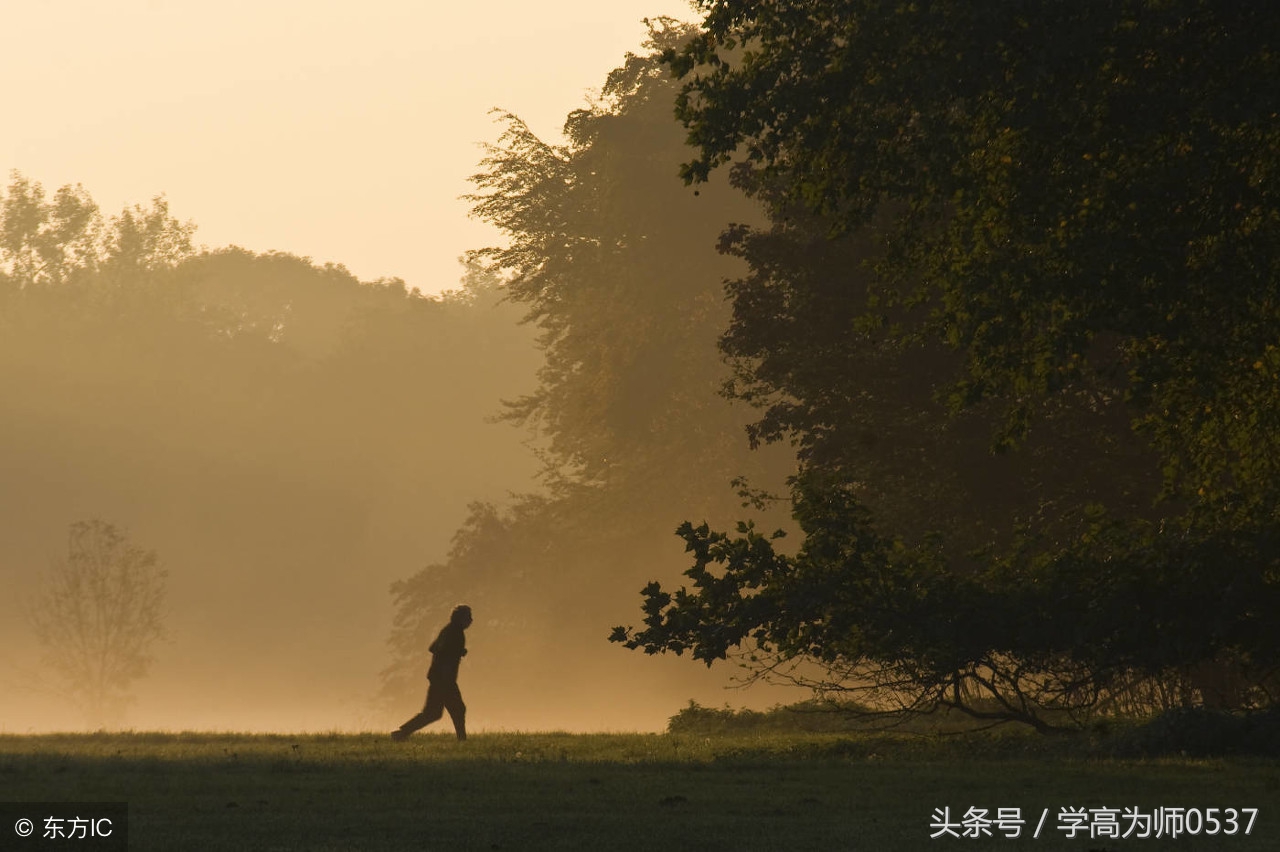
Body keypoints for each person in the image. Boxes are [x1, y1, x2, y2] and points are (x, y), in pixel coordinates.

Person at [391, 604, 472, 741]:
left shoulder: (449, 630)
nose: (471, 620)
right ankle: (462, 740)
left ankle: (401, 734)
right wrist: (457, 652)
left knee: (432, 713)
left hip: (438, 677)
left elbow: (433, 648)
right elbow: (440, 650)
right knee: (457, 709)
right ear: (460, 618)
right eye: (468, 617)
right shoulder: (455, 632)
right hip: (444, 679)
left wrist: (457, 652)